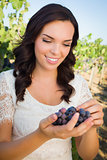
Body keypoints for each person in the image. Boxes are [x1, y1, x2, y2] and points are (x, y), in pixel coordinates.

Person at [0, 3, 103, 160]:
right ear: (33, 37)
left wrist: (91, 126)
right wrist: (42, 135)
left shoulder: (78, 85)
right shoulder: (6, 82)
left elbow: (87, 155)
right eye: (47, 40)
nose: (56, 51)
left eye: (66, 44)